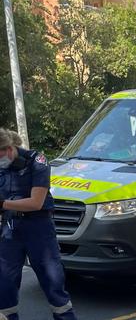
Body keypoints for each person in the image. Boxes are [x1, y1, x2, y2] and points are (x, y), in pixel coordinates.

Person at [0, 129, 77, 320]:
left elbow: (36, 202)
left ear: (9, 149)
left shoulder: (37, 161)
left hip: (38, 227)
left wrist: (2, 204)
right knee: (4, 285)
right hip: (10, 228)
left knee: (52, 281)